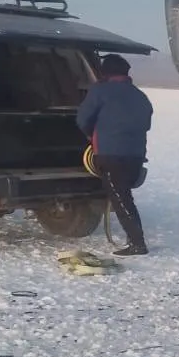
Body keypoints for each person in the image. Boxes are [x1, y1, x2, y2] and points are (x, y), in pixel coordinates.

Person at [76, 52, 152, 255]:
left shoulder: (100, 91)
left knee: (120, 198)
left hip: (110, 155)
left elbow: (83, 119)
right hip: (135, 156)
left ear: (105, 72)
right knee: (124, 195)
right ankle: (136, 240)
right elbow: (146, 124)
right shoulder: (139, 95)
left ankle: (138, 244)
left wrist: (92, 136)